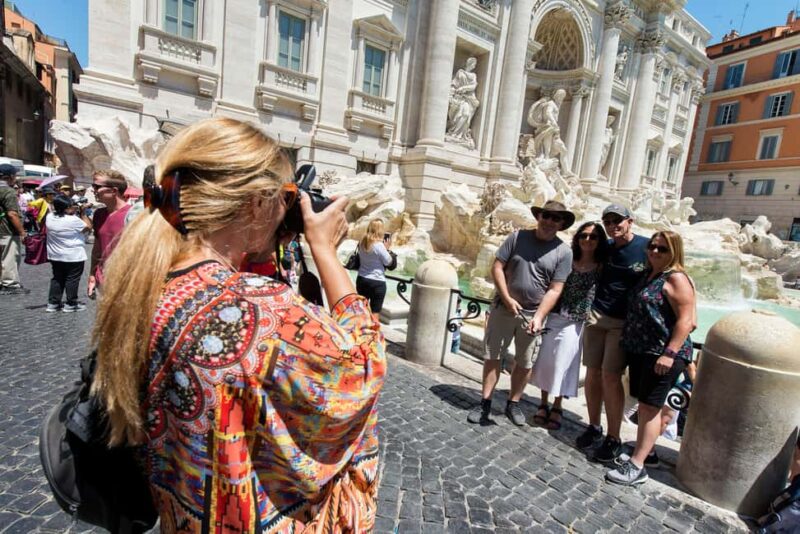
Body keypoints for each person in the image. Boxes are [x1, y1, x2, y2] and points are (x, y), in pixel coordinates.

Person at [91, 117, 385, 532]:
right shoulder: (257, 308)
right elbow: (363, 365)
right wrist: (324, 250)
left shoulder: (143, 283)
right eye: (285, 197)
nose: (287, 210)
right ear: (256, 203)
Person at [467, 200, 574, 426]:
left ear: (561, 223)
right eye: (546, 216)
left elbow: (556, 288)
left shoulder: (564, 252)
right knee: (493, 356)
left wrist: (540, 316)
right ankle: (485, 402)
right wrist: (507, 298)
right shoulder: (517, 237)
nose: (549, 221)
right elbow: (497, 267)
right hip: (503, 307)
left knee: (525, 362)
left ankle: (513, 403)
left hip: (533, 314)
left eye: (555, 218)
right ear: (539, 217)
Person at [606, 231, 696, 486]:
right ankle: (650, 453)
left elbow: (687, 321)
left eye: (662, 249)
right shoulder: (649, 274)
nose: (655, 251)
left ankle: (637, 467)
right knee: (645, 405)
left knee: (649, 407)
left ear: (674, 251)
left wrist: (669, 353)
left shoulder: (676, 278)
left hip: (662, 354)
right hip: (642, 351)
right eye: (652, 246)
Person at [576, 204, 649, 463]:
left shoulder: (646, 247)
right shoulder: (604, 247)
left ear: (630, 221)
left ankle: (614, 436)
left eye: (617, 220)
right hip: (597, 316)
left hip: (623, 322)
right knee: (592, 373)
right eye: (607, 221)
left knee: (610, 376)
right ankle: (594, 425)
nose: (612, 225)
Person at [532, 222, 608, 430]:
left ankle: (557, 405)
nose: (587, 240)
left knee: (564, 362)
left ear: (599, 241)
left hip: (577, 321)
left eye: (593, 237)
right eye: (584, 235)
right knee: (546, 360)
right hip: (556, 315)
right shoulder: (567, 258)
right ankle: (543, 402)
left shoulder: (602, 266)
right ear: (577, 238)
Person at [87, 169, 131, 297]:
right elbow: (97, 248)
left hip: (126, 283)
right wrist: (92, 275)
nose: (93, 190)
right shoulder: (99, 214)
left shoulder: (133, 215)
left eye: (97, 186)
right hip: (103, 281)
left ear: (114, 191)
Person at [44, 195, 92, 312]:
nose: (74, 207)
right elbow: (88, 227)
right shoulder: (73, 220)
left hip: (55, 254)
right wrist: (83, 213)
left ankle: (53, 303)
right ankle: (71, 303)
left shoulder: (50, 217)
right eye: (71, 206)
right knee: (72, 279)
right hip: (73, 255)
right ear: (66, 208)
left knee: (57, 278)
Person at [0, 164, 28, 295]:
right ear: (10, 176)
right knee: (9, 257)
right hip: (7, 230)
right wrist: (22, 232)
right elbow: (12, 214)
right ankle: (10, 284)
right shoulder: (8, 191)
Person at [356, 219, 393, 316]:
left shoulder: (362, 242)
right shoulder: (379, 245)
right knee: (375, 313)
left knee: (362, 310)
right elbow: (388, 262)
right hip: (377, 281)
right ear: (380, 230)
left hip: (362, 279)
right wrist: (387, 249)